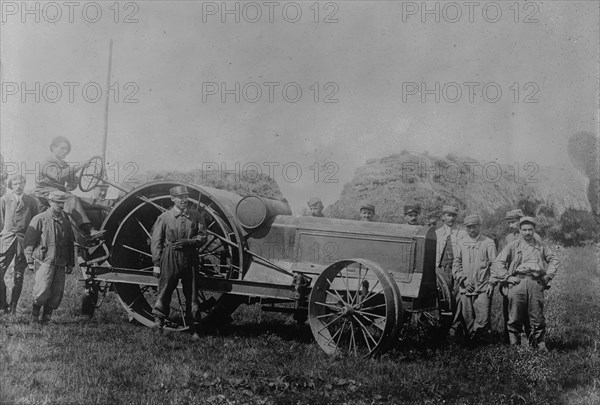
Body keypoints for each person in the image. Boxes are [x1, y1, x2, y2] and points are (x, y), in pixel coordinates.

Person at [491, 217, 559, 350]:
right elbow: (498, 262)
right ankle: (514, 346)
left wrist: (547, 277)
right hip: (518, 282)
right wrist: (507, 277)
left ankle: (539, 345)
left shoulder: (541, 245)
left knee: (537, 315)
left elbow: (554, 260)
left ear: (534, 230)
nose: (527, 233)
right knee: (515, 315)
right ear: (520, 230)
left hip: (535, 282)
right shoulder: (513, 245)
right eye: (524, 230)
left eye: (530, 230)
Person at [151, 185, 207, 340]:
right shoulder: (164, 217)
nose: (184, 200)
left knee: (192, 293)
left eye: (186, 197)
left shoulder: (196, 216)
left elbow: (203, 237)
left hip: (190, 258)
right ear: (173, 199)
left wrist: (189, 242)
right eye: (180, 197)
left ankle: (194, 327)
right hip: (170, 257)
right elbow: (156, 241)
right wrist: (156, 264)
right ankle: (158, 323)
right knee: (165, 289)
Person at [24, 190, 76, 324]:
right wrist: (30, 261)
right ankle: (34, 318)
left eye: (62, 203)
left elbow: (70, 244)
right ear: (50, 202)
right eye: (58, 202)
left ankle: (46, 319)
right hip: (44, 260)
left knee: (56, 293)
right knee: (42, 290)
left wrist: (70, 263)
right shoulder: (40, 218)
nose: (60, 205)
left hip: (61, 261)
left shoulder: (65, 222)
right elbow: (29, 241)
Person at [34, 136, 98, 238]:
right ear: (53, 148)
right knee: (71, 198)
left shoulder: (64, 165)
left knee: (89, 202)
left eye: (67, 149)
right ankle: (87, 229)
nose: (65, 151)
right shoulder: (46, 163)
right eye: (62, 148)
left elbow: (72, 180)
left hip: (58, 192)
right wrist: (80, 166)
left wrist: (72, 183)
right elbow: (58, 175)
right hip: (44, 192)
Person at [452, 214, 496, 344]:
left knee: (482, 319)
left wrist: (491, 283)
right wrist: (463, 280)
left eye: (474, 227)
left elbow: (495, 265)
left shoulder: (488, 243)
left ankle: (482, 344)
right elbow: (456, 264)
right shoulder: (461, 244)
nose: (472, 230)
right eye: (469, 227)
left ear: (479, 226)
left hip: (483, 288)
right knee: (467, 319)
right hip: (466, 288)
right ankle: (470, 346)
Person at [0, 175, 39, 314]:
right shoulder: (4, 200)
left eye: (21, 183)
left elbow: (35, 221)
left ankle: (13, 307)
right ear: (12, 185)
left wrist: (32, 243)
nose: (18, 186)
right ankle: (2, 304)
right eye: (15, 183)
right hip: (6, 240)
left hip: (23, 241)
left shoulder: (31, 201)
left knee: (18, 275)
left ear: (24, 184)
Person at [435, 204, 467, 337]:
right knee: (442, 297)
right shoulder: (436, 233)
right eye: (448, 215)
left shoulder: (462, 233)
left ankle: (455, 327)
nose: (451, 218)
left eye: (454, 215)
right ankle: (441, 326)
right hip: (441, 270)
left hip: (456, 269)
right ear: (443, 217)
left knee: (457, 296)